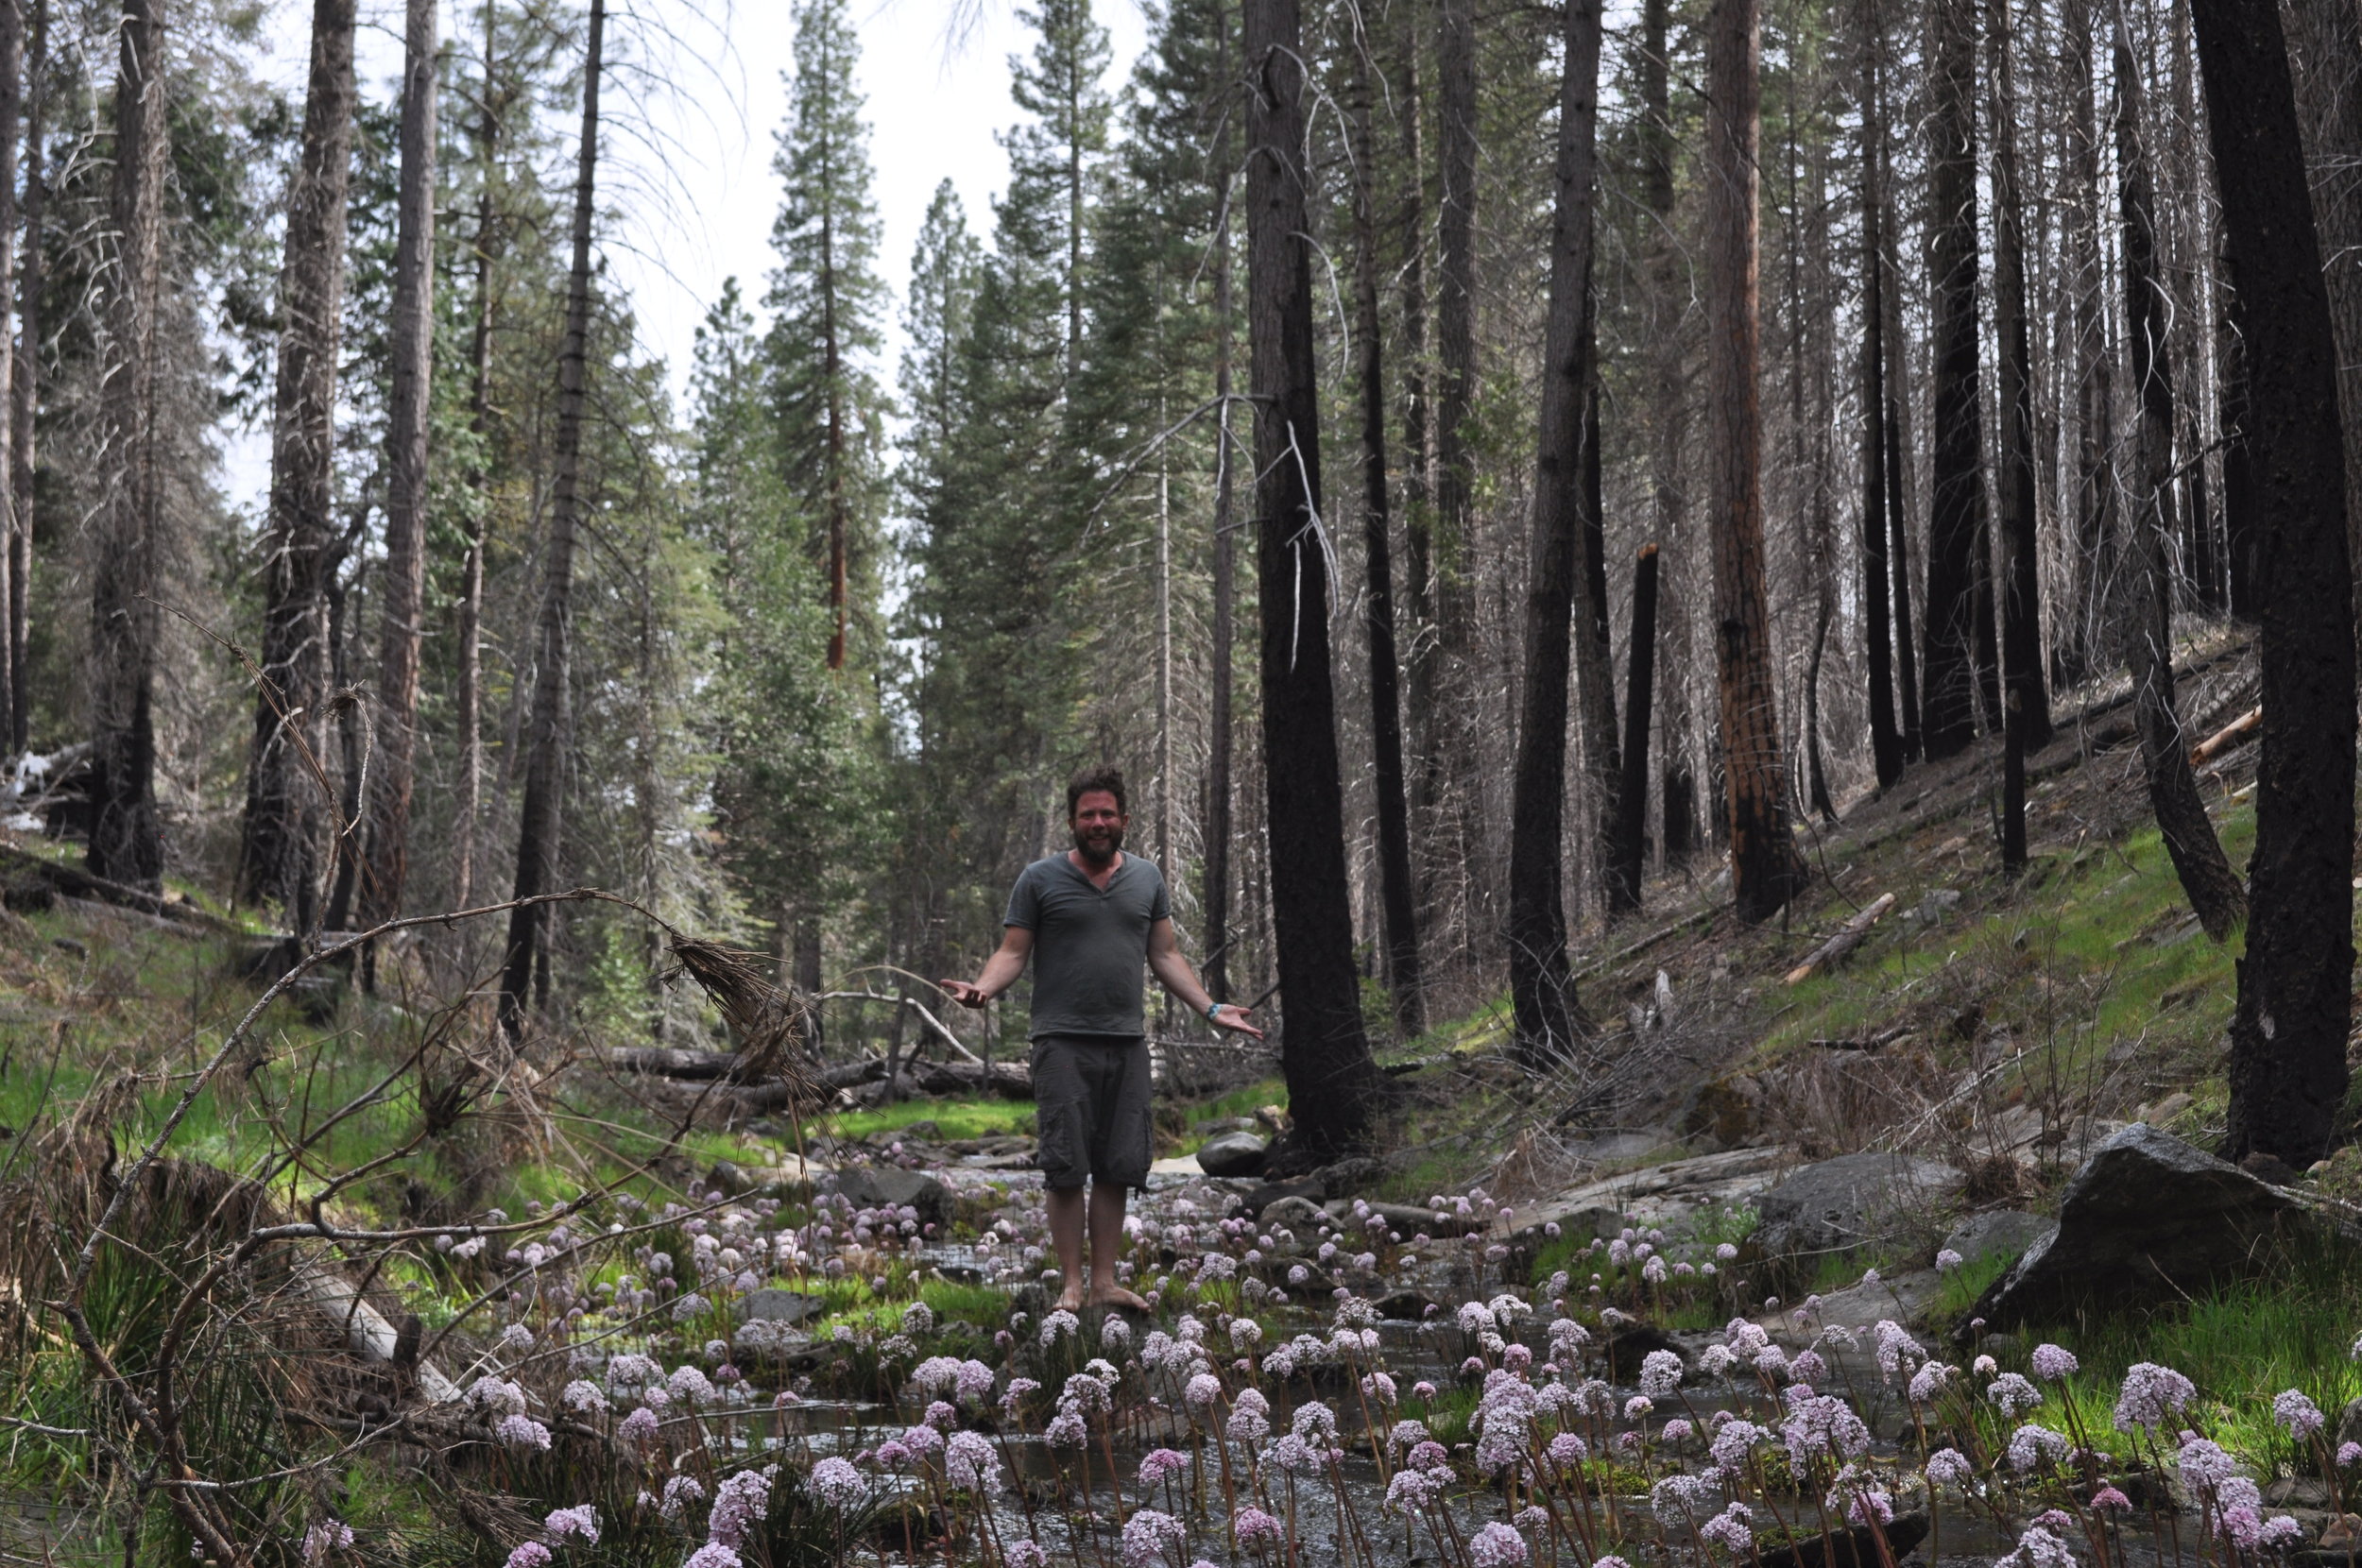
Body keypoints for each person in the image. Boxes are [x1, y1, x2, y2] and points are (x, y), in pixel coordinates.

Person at [943, 765, 1261, 1311]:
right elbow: (1013, 952)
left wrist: (1210, 1008)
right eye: (1087, 814)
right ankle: (1071, 1283)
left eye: (1106, 814)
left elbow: (1164, 954)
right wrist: (984, 989)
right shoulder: (1039, 879)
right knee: (1066, 1164)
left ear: (1124, 820)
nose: (1097, 822)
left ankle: (1104, 1281)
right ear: (1072, 821)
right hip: (1060, 1042)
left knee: (1119, 1164)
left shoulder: (1146, 879)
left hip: (1127, 1042)